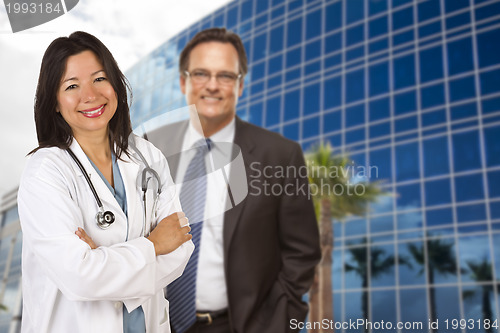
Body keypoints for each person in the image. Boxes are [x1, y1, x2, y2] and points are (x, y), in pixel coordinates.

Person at [17, 31, 194, 333]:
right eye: (72, 86)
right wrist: (153, 246)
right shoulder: (45, 170)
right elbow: (78, 276)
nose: (91, 95)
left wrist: (102, 262)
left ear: (116, 84)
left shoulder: (147, 156)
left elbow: (180, 246)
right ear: (55, 103)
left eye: (99, 79)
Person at [147, 27, 321, 333]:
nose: (212, 86)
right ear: (183, 82)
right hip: (153, 324)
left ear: (240, 85)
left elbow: (301, 253)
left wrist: (276, 324)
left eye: (225, 76)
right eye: (201, 73)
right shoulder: (149, 148)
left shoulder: (280, 155)